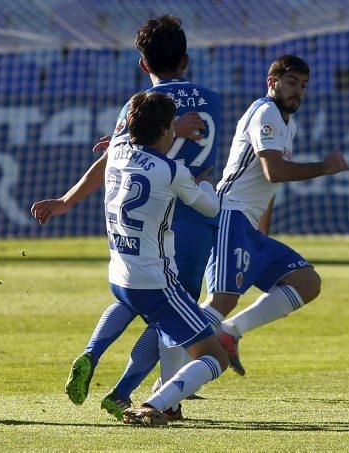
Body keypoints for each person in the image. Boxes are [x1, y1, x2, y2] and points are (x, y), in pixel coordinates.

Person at [30, 15, 223, 420]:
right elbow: (193, 176)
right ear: (185, 60)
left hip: (138, 233)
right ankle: (161, 398)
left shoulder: (136, 107)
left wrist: (66, 200)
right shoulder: (210, 98)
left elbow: (114, 157)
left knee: (132, 297)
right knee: (173, 313)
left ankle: (97, 357)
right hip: (188, 218)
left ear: (142, 64)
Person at [203, 55, 349, 375]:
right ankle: (165, 384)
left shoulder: (289, 122)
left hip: (249, 226)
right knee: (220, 301)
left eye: (304, 86)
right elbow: (274, 171)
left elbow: (267, 185)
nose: (298, 91)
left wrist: (261, 234)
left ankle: (229, 332)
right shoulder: (265, 112)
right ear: (273, 83)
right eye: (292, 83)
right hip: (230, 213)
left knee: (306, 281)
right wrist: (325, 168)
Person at [100, 91, 227, 426]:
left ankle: (153, 400)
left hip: (120, 278)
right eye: (172, 126)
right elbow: (210, 207)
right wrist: (210, 186)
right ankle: (154, 404)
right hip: (158, 282)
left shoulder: (116, 151)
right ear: (166, 130)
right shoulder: (172, 170)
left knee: (168, 331)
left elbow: (129, 139)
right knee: (215, 356)